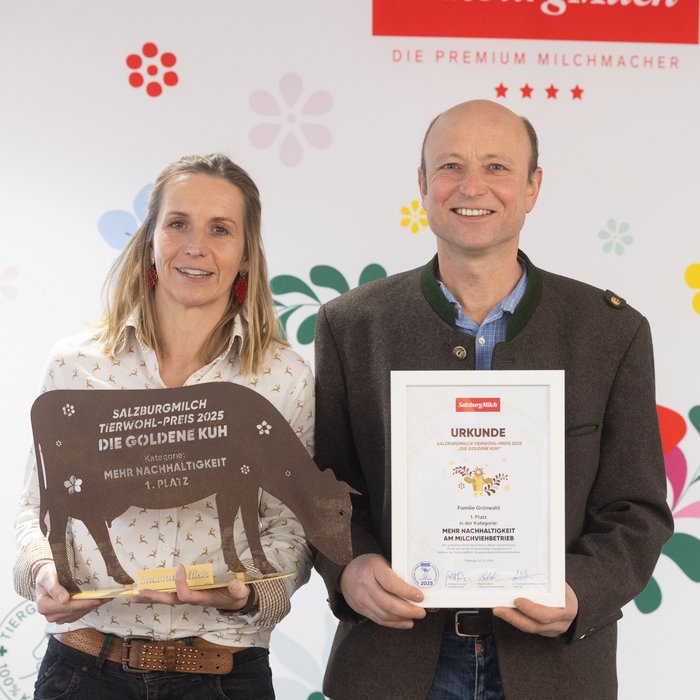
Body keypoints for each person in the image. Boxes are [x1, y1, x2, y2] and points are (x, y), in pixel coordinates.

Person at [313, 100, 673, 700]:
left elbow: (637, 509)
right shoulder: (351, 326)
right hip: (391, 666)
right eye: (450, 166)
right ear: (422, 185)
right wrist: (351, 566)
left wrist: (579, 590)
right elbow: (327, 489)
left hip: (555, 672)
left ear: (533, 187)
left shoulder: (612, 332)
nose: (472, 186)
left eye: (497, 167)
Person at [14, 153, 314, 699]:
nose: (195, 246)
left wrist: (252, 594)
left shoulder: (282, 378)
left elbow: (291, 528)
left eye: (220, 229)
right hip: (82, 671)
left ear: (246, 254)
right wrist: (42, 572)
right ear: (150, 239)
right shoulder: (76, 366)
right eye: (178, 223)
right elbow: (39, 509)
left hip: (224, 674)